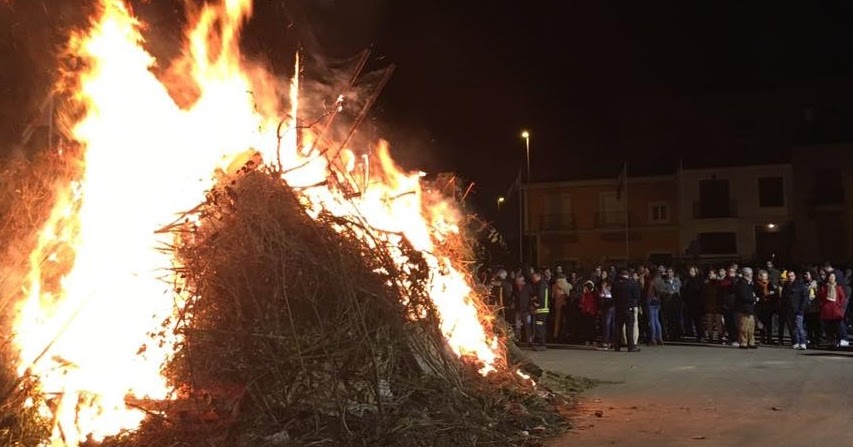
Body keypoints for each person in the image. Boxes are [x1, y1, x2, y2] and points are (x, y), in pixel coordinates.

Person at [612, 269, 641, 352]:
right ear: (627, 275)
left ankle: (617, 346)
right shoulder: (632, 283)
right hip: (629, 307)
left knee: (618, 327)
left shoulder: (615, 284)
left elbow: (613, 295)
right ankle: (631, 346)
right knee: (629, 327)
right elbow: (636, 296)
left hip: (618, 308)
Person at [818, 272, 849, 349]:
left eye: (833, 277)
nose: (831, 278)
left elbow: (843, 298)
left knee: (839, 326)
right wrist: (822, 304)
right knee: (828, 328)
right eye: (830, 277)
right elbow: (820, 297)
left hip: (836, 310)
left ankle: (841, 340)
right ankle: (832, 342)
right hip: (827, 310)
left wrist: (839, 305)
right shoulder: (824, 287)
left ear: (835, 278)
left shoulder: (838, 287)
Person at [781, 270, 809, 349]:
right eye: (789, 276)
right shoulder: (786, 285)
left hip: (798, 309)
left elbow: (805, 296)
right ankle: (795, 341)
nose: (790, 278)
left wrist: (802, 307)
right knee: (792, 327)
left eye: (792, 276)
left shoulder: (800, 285)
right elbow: (784, 297)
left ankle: (803, 342)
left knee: (799, 326)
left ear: (795, 276)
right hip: (788, 309)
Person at [735, 267, 758, 349]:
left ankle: (751, 341)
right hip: (744, 308)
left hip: (750, 308)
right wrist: (754, 299)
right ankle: (743, 342)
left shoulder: (749, 283)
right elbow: (743, 296)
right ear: (746, 274)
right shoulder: (742, 283)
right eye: (751, 273)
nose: (752, 275)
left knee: (751, 326)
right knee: (744, 327)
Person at [530, 272, 551, 351]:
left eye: (533, 277)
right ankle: (541, 343)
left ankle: (541, 344)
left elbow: (540, 296)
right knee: (541, 327)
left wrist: (535, 302)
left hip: (541, 310)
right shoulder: (543, 284)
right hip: (542, 309)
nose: (532, 279)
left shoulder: (541, 285)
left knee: (539, 327)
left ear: (538, 277)